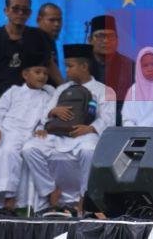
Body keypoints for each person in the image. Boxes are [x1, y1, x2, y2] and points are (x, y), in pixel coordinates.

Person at [22, 44, 116, 217]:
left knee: (89, 150)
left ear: (84, 66)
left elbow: (108, 119)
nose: (66, 70)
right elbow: (46, 115)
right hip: (59, 136)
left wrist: (90, 128)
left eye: (70, 66)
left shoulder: (104, 90)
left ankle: (84, 197)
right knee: (29, 149)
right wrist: (53, 111)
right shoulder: (62, 89)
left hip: (85, 136)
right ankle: (50, 191)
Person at [0, 51, 54, 217]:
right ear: (25, 74)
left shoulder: (46, 97)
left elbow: (45, 118)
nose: (42, 76)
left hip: (23, 133)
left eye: (45, 73)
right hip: (3, 129)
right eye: (38, 72)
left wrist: (42, 127)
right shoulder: (13, 92)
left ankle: (9, 202)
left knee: (9, 151)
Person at [0, 0, 60, 103]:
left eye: (25, 10)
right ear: (6, 11)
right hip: (2, 101)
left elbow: (50, 66)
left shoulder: (39, 36)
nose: (20, 13)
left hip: (33, 102)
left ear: (30, 13)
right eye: (15, 9)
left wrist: (65, 88)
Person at [87, 14, 134, 126]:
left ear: (117, 40)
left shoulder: (130, 66)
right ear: (89, 40)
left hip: (121, 123)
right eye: (100, 36)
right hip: (86, 123)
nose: (106, 41)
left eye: (111, 36)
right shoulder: (82, 65)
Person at [36, 3, 63, 68]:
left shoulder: (50, 40)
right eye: (52, 20)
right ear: (39, 20)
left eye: (59, 20)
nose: (57, 24)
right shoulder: (34, 42)